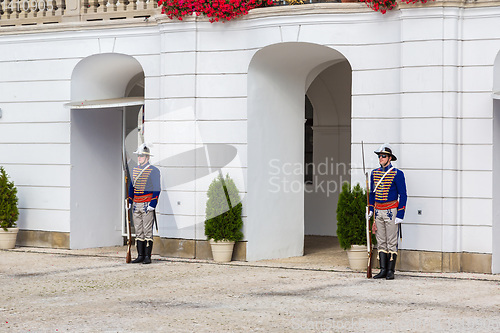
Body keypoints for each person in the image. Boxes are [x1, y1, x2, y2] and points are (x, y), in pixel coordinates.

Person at [368, 143, 407, 280]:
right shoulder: (374, 173)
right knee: (381, 240)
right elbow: (372, 194)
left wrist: (400, 214)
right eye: (379, 156)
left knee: (391, 241)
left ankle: (391, 270)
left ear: (390, 158)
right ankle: (383, 269)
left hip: (391, 210)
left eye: (383, 156)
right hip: (378, 211)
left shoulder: (397, 174)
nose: (380, 158)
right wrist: (371, 210)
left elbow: (403, 195)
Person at [128, 143, 161, 264]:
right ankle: (140, 255)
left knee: (147, 231)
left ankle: (148, 256)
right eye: (138, 156)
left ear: (147, 158)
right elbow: (131, 187)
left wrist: (153, 203)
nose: (139, 158)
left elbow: (157, 188)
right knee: (138, 230)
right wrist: (130, 201)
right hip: (136, 204)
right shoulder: (134, 170)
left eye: (141, 156)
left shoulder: (154, 171)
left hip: (147, 204)